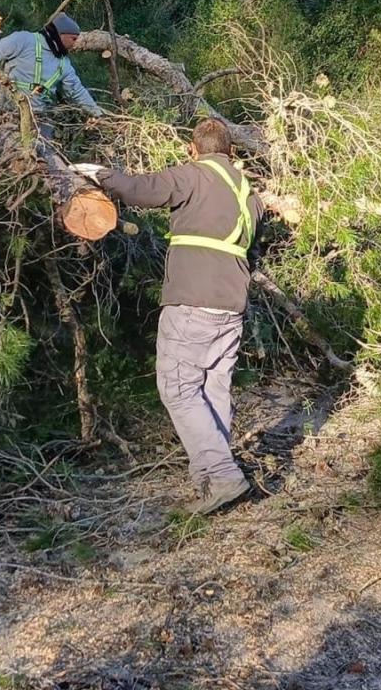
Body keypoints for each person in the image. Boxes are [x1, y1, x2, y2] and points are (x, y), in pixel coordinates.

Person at [74, 118, 262, 514]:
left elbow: (145, 190)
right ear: (231, 150)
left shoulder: (194, 175)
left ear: (194, 150)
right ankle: (216, 479)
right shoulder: (249, 194)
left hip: (192, 300)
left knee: (177, 389)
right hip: (232, 305)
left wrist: (101, 174)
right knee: (213, 388)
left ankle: (223, 477)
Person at [0, 11, 103, 118]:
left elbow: (77, 92)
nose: (75, 44)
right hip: (8, 112)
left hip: (39, 120)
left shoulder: (64, 64)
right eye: (73, 39)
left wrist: (97, 114)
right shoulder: (24, 39)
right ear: (61, 35)